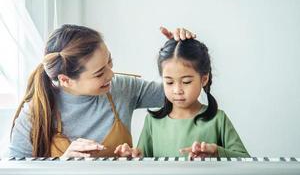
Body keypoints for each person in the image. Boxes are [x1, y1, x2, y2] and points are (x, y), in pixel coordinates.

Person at [8, 24, 195, 158]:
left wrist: (182, 56)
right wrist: (62, 166)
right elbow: (14, 172)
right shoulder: (34, 113)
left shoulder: (121, 88)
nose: (111, 74)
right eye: (99, 73)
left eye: (109, 62)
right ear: (66, 80)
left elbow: (180, 92)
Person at [114, 38, 250, 158]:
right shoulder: (152, 122)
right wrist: (133, 156)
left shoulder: (218, 119)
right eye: (169, 82)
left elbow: (245, 160)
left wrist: (216, 152)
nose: (177, 90)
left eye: (186, 82)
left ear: (204, 79)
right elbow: (143, 160)